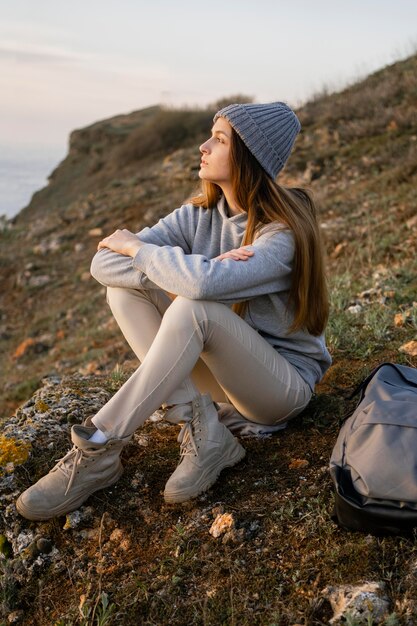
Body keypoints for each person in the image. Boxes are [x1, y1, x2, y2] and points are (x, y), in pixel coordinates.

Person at [16, 101, 331, 521]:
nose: (203, 146)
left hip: (278, 388)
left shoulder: (281, 236)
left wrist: (151, 255)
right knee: (123, 291)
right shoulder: (197, 216)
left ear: (249, 157)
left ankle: (99, 446)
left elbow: (196, 286)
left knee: (192, 306)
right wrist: (190, 270)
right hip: (221, 376)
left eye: (219, 140)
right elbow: (103, 264)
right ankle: (201, 430)